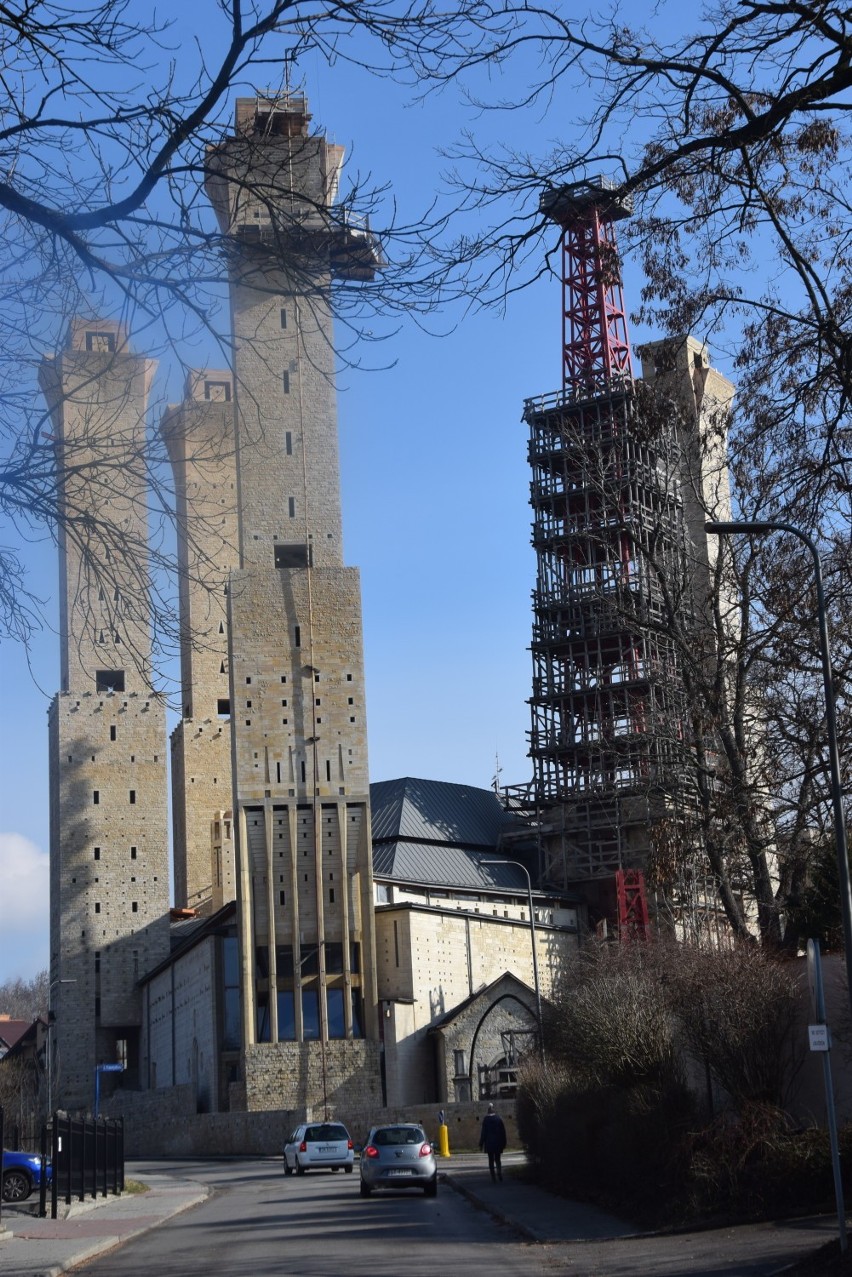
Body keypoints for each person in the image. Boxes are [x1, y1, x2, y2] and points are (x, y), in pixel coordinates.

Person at [479, 1102, 507, 1183]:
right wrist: (504, 1142)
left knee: (491, 1160)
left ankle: (493, 1177)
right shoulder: (499, 1119)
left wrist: (481, 1144)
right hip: (498, 1143)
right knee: (498, 1159)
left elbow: (483, 1133)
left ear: (488, 1111)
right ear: (494, 1111)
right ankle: (499, 1172)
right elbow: (503, 1132)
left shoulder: (486, 1120)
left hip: (489, 1143)